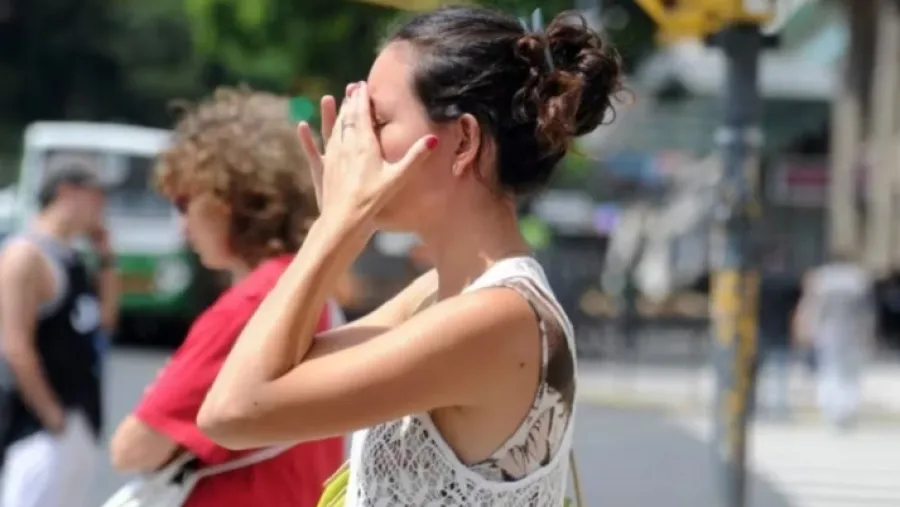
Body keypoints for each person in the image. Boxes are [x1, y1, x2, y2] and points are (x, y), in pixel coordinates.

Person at [197, 7, 622, 506]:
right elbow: (279, 370)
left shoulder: (497, 317)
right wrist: (340, 225)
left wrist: (335, 227)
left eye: (377, 121)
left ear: (463, 141)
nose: (355, 143)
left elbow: (232, 413)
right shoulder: (438, 296)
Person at [108, 88, 345, 507]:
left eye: (184, 203)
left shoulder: (252, 305)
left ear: (225, 199)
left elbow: (133, 448)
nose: (182, 225)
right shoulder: (308, 285)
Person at [0, 166, 118, 507]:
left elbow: (105, 320)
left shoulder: (72, 257)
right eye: (96, 197)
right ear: (67, 193)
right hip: (37, 428)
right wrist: (52, 416)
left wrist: (106, 257)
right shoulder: (25, 256)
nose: (102, 208)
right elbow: (15, 345)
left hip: (79, 417)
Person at [794, 251, 876, 429]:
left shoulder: (822, 279)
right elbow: (867, 312)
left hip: (827, 332)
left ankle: (831, 410)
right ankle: (846, 410)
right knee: (849, 374)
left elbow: (811, 307)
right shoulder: (858, 279)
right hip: (852, 333)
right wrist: (868, 334)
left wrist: (806, 330)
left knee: (829, 371)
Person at [755, 245, 801, 420]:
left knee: (763, 373)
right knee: (779, 373)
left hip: (764, 331)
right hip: (780, 331)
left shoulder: (760, 282)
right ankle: (778, 409)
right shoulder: (789, 283)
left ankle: (764, 407)